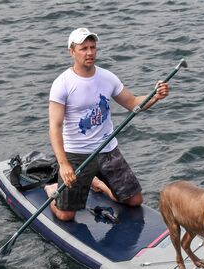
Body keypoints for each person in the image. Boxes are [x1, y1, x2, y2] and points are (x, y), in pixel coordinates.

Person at [44, 28, 170, 221]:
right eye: (83, 48)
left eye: (93, 47)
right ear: (72, 51)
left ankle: (98, 184)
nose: (90, 52)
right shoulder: (62, 84)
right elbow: (55, 127)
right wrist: (63, 165)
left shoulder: (107, 77)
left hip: (108, 151)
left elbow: (133, 103)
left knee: (134, 200)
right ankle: (52, 189)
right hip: (78, 155)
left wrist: (155, 96)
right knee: (65, 215)